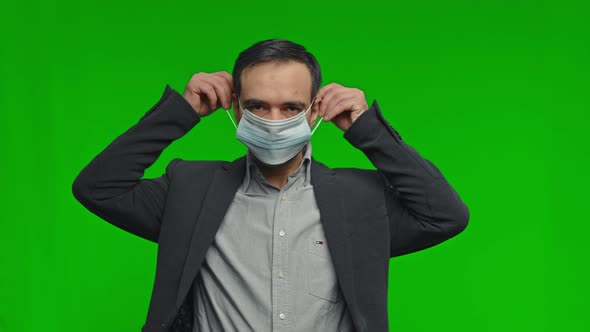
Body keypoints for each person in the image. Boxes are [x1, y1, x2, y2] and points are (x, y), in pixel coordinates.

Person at [72, 39, 469, 332]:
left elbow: (445, 216)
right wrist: (182, 112)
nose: (274, 119)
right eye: (258, 106)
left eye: (291, 107)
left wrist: (369, 131)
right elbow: (97, 188)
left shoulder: (359, 200)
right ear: (235, 107)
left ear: (316, 110)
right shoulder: (190, 190)